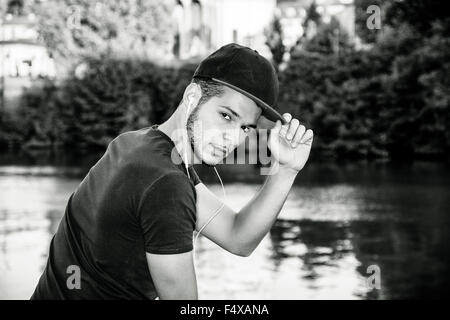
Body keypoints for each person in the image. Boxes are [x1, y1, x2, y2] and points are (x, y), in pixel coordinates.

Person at [31, 43, 313, 300]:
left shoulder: (134, 143)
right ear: (192, 97)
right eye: (226, 116)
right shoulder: (166, 184)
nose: (234, 138)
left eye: (245, 128)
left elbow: (238, 237)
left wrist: (286, 170)